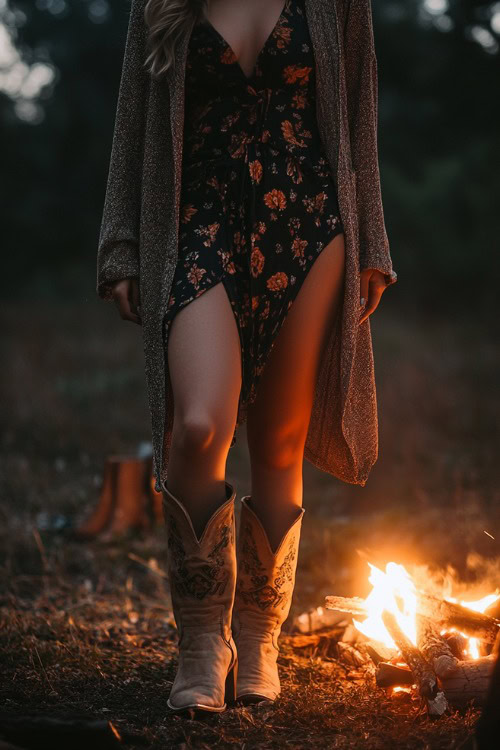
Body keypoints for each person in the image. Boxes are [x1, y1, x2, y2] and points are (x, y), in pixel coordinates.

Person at [96, 0, 397, 713]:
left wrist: (374, 244)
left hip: (310, 219)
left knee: (280, 438)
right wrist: (121, 244)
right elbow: (133, 118)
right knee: (198, 427)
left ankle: (258, 637)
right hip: (197, 220)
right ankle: (204, 640)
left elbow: (359, 112)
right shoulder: (159, 5)